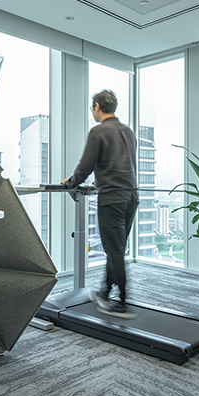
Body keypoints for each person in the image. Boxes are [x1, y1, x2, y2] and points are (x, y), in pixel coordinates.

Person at [62, 89, 138, 318]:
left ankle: (123, 303)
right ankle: (105, 292)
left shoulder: (98, 131)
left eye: (91, 108)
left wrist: (71, 182)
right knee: (116, 249)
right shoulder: (128, 131)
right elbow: (123, 165)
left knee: (115, 253)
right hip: (131, 196)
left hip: (112, 198)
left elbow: (85, 165)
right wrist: (101, 178)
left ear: (96, 106)